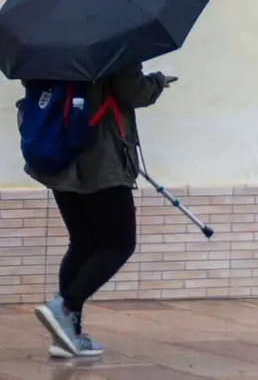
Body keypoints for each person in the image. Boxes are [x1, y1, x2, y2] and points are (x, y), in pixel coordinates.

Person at [28, 64, 171, 359]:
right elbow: (133, 91)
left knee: (83, 243)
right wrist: (156, 82)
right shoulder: (114, 43)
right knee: (119, 244)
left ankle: (66, 335)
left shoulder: (49, 45)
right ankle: (65, 306)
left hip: (59, 156)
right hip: (101, 161)